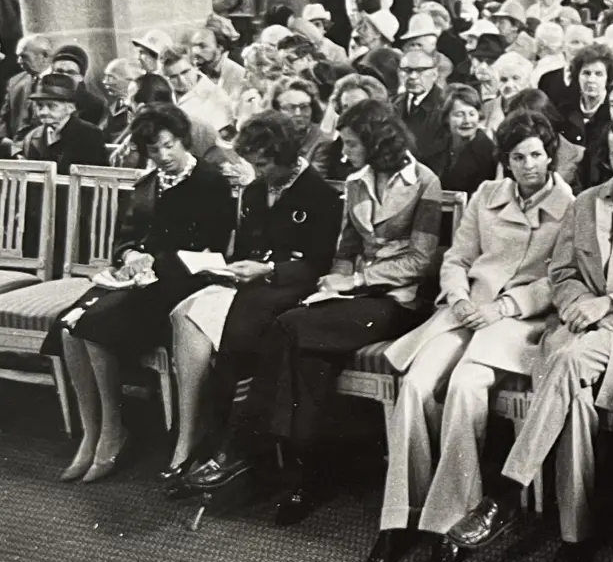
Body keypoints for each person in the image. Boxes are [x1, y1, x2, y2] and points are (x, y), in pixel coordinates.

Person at [449, 111, 613, 562]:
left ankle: (508, 493)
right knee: (575, 395)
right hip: (580, 328)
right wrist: (577, 308)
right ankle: (575, 538)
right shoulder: (585, 203)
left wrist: (608, 307)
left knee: (568, 362)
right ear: (607, 158)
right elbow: (562, 272)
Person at [181, 99, 443, 526]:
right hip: (350, 298)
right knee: (309, 357)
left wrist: (353, 282)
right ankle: (309, 475)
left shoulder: (424, 182)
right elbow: (346, 248)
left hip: (397, 301)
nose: (345, 152)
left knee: (287, 326)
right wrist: (330, 285)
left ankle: (245, 447)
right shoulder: (357, 181)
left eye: (353, 143)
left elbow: (420, 259)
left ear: (377, 142)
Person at [368, 112, 574, 562]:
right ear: (506, 160)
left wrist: (503, 308)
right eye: (518, 157)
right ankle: (400, 518)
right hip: (466, 311)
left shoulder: (570, 206)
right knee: (416, 384)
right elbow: (457, 257)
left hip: (521, 324)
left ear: (550, 155)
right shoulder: (486, 196)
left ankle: (451, 521)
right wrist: (459, 295)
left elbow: (558, 280)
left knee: (464, 388)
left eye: (537, 155)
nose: (528, 166)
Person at [51, 104, 236, 483]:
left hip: (184, 282)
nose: (163, 156)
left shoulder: (209, 181)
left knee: (94, 323)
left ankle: (114, 431)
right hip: (140, 280)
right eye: (154, 150)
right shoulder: (147, 184)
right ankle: (95, 432)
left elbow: (212, 247)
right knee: (70, 325)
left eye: (169, 146)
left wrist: (156, 260)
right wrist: (132, 254)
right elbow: (124, 238)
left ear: (183, 139)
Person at [161, 111, 343, 485]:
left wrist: (270, 270)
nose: (257, 172)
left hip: (292, 288)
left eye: (262, 163)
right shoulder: (256, 189)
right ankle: (193, 434)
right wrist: (231, 268)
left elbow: (320, 264)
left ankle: (220, 442)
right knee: (184, 313)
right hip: (251, 283)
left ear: (285, 154)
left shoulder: (320, 194)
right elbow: (246, 247)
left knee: (233, 326)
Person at [14, 72, 110, 170]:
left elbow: (100, 176)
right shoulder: (31, 137)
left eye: (52, 106)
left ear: (70, 108)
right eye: (39, 105)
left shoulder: (90, 134)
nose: (43, 112)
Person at [395, 49, 452, 176]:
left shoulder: (446, 106)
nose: (413, 76)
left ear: (435, 73)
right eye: (407, 71)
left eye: (420, 70)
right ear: (399, 73)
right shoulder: (393, 105)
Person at [438, 84, 498, 195]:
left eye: (472, 114)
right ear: (447, 117)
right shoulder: (437, 147)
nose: (467, 121)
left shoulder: (489, 154)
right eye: (459, 114)